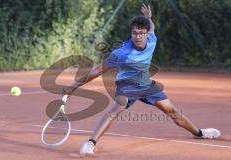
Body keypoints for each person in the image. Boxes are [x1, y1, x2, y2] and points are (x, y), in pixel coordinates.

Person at [67, 3, 221, 156]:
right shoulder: (121, 53)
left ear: (147, 34)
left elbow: (152, 27)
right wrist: (74, 85)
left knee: (172, 111)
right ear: (131, 33)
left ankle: (199, 133)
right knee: (117, 109)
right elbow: (96, 71)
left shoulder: (152, 40)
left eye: (141, 33)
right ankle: (90, 143)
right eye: (134, 33)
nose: (138, 37)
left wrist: (148, 17)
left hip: (146, 84)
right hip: (127, 85)